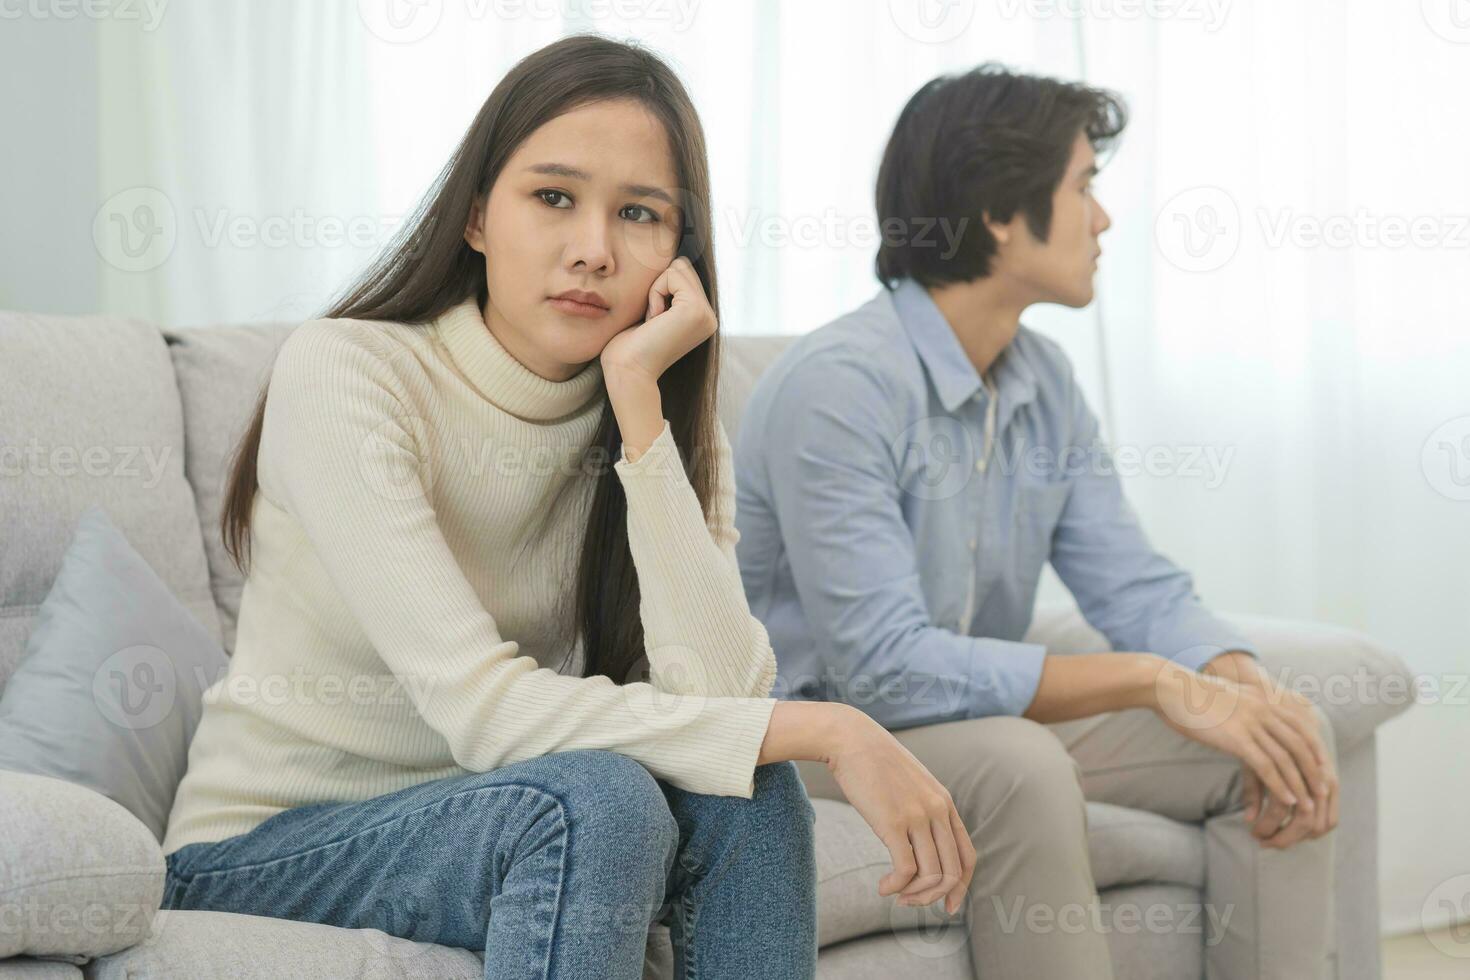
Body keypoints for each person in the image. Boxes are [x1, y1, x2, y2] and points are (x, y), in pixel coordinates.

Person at [159, 35, 975, 980]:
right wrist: (837, 727)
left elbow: (720, 704)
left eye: (638, 214)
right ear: (474, 217)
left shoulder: (661, 426)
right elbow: (481, 711)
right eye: (553, 197)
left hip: (513, 817)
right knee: (597, 801)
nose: (593, 249)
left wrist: (639, 409)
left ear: (679, 255)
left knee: (752, 790)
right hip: (266, 853)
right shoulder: (350, 371)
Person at [733, 63, 1339, 980]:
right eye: (1084, 186)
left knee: (1288, 736)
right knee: (1020, 761)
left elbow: (1130, 580)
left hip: (963, 713)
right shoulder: (841, 388)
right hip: (826, 731)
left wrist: (1232, 675)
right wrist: (1146, 680)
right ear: (999, 214)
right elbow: (886, 668)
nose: (1103, 220)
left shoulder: (1043, 380)